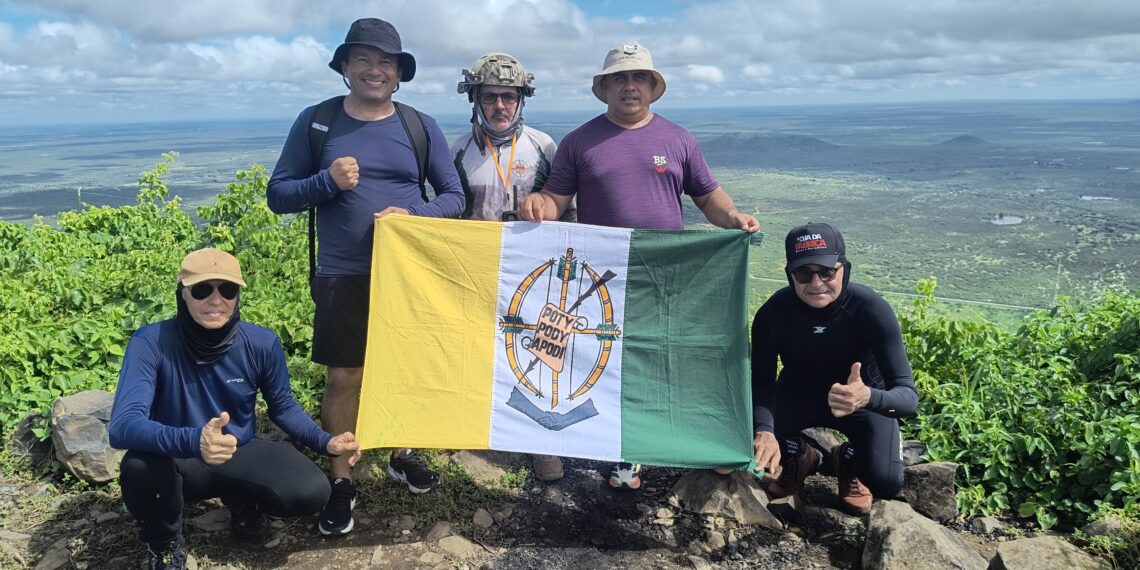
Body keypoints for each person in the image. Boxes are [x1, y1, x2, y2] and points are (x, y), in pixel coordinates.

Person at [518, 42, 760, 489]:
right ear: (604, 87)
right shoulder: (579, 141)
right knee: (601, 359)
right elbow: (555, 200)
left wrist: (733, 218)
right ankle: (603, 446)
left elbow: (708, 196)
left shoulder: (678, 139)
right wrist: (537, 204)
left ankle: (655, 447)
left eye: (639, 78)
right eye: (620, 79)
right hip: (600, 277)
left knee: (659, 357)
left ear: (652, 86)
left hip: (664, 274)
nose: (630, 86)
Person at [266, 18, 465, 535]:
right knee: (345, 376)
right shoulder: (317, 122)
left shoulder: (419, 126)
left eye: (386, 62)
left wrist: (413, 216)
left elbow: (454, 196)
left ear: (399, 74)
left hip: (408, 274)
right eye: (364, 59)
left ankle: (400, 450)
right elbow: (278, 196)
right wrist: (326, 182)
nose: (375, 70)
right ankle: (340, 479)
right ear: (346, 67)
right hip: (341, 272)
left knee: (402, 367)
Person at [109, 248, 362, 570]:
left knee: (310, 492)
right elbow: (123, 426)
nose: (216, 300)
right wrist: (194, 441)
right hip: (177, 457)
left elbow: (282, 406)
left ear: (237, 296)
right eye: (202, 290)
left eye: (227, 290)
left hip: (238, 449)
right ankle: (164, 544)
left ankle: (242, 502)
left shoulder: (261, 343)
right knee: (139, 469)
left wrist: (325, 441)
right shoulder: (150, 343)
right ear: (182, 295)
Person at [450, 51, 571, 482]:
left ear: (522, 101)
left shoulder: (544, 146)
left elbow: (567, 210)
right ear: (476, 101)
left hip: (535, 272)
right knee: (480, 350)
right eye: (490, 97)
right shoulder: (458, 151)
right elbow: (446, 212)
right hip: (478, 270)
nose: (500, 106)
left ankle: (540, 443)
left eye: (509, 97)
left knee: (539, 352)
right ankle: (475, 425)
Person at [750, 222, 919, 515]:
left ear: (844, 268)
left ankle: (847, 459)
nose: (816, 284)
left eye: (826, 272)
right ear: (790, 275)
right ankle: (802, 456)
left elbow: (908, 397)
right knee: (741, 443)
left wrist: (867, 396)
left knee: (886, 482)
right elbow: (762, 385)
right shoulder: (773, 314)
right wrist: (764, 431)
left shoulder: (870, 310)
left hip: (861, 402)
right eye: (804, 273)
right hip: (797, 395)